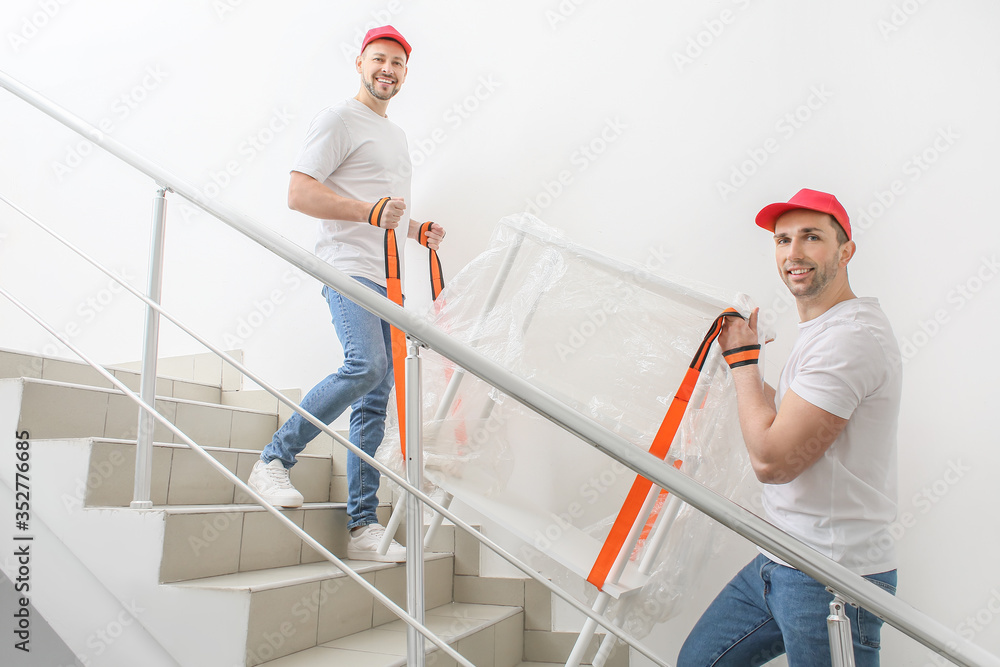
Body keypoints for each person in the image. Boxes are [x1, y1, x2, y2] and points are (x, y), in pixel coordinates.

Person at [247, 25, 446, 563]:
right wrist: (367, 213)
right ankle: (272, 459)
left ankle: (363, 527)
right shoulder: (338, 119)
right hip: (346, 268)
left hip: (387, 277)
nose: (388, 69)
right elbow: (299, 191)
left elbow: (384, 209)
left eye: (398, 63)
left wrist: (414, 230)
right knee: (365, 365)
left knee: (375, 394)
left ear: (406, 73)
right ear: (360, 63)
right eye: (379, 59)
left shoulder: (397, 136)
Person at [678, 189, 901, 666]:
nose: (793, 253)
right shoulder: (824, 330)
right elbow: (777, 423)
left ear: (846, 251)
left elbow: (773, 461)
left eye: (811, 237)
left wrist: (742, 362)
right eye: (782, 240)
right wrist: (748, 362)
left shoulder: (848, 341)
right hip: (780, 556)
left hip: (830, 578)